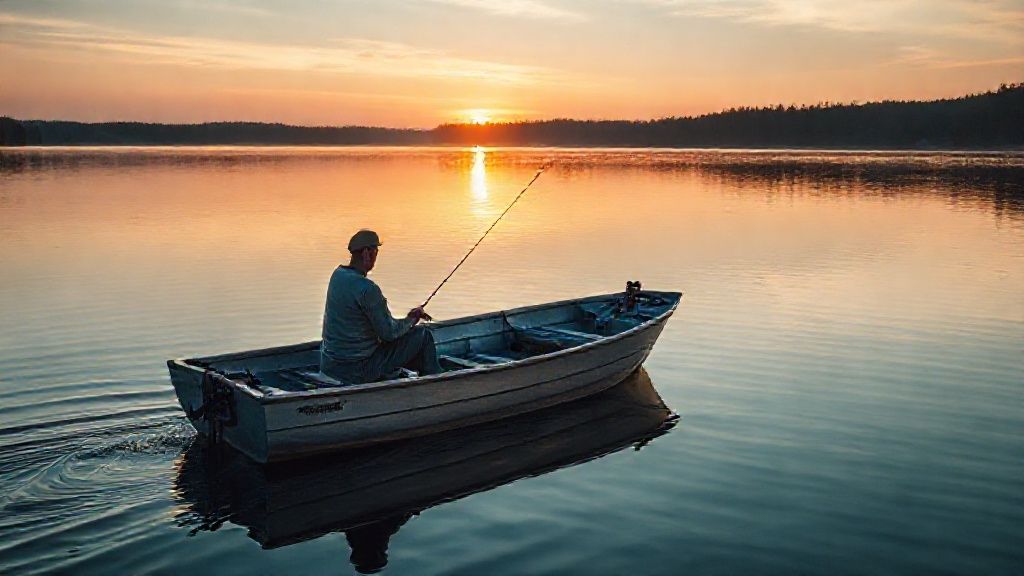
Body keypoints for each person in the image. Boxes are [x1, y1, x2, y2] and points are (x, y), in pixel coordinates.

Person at [320, 229, 442, 384]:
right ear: (367, 253)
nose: (375, 257)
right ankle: (437, 384)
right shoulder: (367, 289)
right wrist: (412, 320)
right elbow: (389, 333)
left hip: (330, 366)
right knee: (423, 335)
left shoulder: (337, 276)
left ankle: (405, 377)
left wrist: (406, 321)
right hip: (358, 370)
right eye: (375, 252)